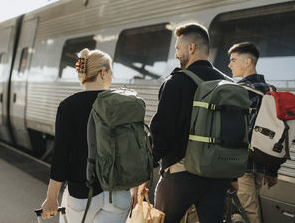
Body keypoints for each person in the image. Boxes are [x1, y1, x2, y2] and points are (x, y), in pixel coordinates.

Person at [150, 23, 231, 223]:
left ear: (191, 48)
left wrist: (147, 165)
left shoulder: (176, 82)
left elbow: (162, 131)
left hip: (181, 173)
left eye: (178, 49)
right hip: (218, 174)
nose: (176, 55)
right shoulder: (228, 85)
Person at [41, 48, 132, 223]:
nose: (112, 75)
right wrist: (137, 188)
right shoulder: (123, 104)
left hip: (82, 194)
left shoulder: (68, 106)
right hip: (119, 194)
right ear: (103, 73)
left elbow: (60, 155)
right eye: (111, 70)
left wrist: (51, 198)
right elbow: (132, 149)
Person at [228, 42, 278, 223]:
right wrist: (272, 170)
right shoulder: (270, 91)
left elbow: (238, 133)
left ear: (248, 62)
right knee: (243, 209)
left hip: (242, 166)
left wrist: (231, 173)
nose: (229, 65)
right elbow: (275, 134)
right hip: (261, 164)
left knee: (249, 215)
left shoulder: (240, 91)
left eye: (233, 60)